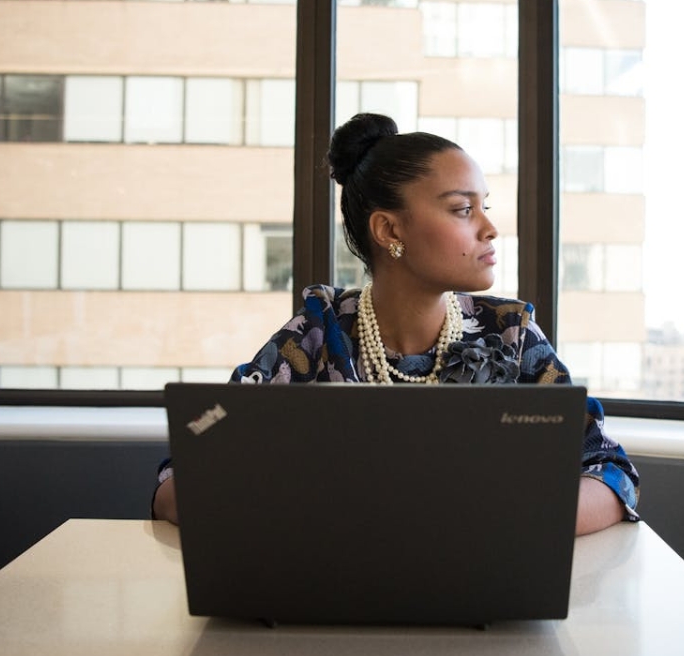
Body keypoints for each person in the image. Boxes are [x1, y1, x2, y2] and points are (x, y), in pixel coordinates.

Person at [152, 112, 639, 535]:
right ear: (389, 230)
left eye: (483, 207)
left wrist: (503, 520)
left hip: (482, 599)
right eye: (462, 209)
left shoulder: (511, 334)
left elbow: (611, 472)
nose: (490, 228)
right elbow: (181, 474)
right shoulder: (318, 334)